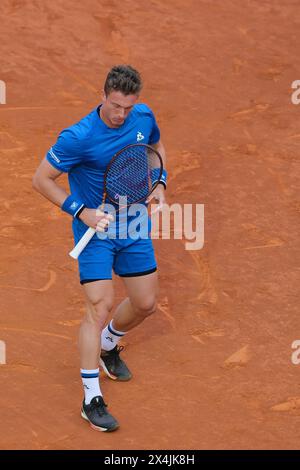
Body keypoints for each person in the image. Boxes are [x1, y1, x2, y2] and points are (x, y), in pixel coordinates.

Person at [32, 65, 167, 432]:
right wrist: (82, 211)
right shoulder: (78, 137)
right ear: (103, 96)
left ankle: (109, 345)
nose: (121, 114)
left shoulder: (142, 115)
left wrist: (161, 182)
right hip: (96, 230)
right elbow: (41, 179)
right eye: (115, 105)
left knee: (145, 304)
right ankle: (91, 398)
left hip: (135, 220)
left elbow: (154, 145)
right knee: (99, 304)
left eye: (128, 106)